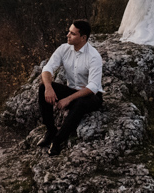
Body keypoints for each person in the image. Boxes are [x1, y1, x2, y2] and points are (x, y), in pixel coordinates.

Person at [37, 20, 104, 156]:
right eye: (69, 31)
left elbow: (93, 87)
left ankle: (57, 141)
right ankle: (51, 130)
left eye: (72, 34)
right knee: (42, 88)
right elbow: (48, 68)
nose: (68, 35)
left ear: (83, 38)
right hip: (72, 90)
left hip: (91, 96)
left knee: (79, 103)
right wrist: (48, 87)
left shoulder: (93, 56)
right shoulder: (64, 49)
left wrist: (68, 99)